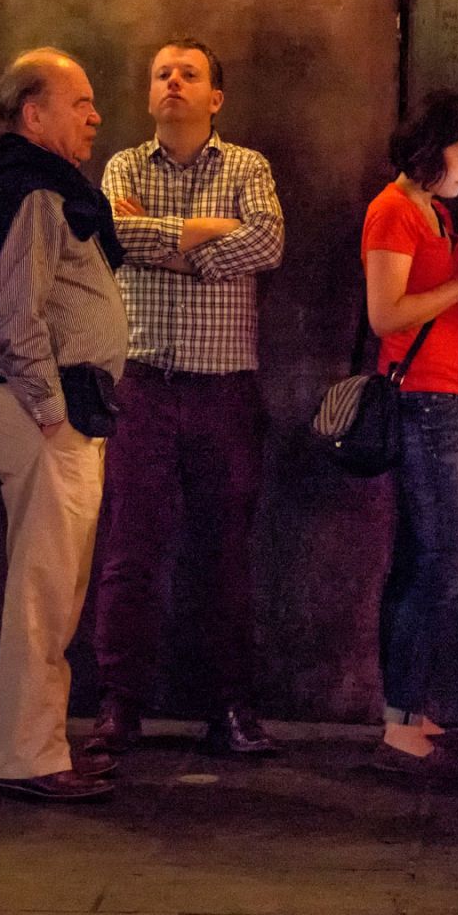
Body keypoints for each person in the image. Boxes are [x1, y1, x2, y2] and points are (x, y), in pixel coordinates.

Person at [85, 38, 286, 757]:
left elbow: (265, 244)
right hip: (140, 385)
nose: (174, 82)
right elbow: (112, 233)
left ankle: (230, 707)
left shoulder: (247, 166)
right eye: (163, 74)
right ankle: (118, 706)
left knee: (223, 554)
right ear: (148, 95)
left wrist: (161, 241)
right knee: (128, 552)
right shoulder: (121, 166)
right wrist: (202, 238)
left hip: (224, 389)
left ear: (215, 97)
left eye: (190, 74)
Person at [0, 48, 128, 801]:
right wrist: (51, 411)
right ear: (33, 113)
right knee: (43, 592)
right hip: (46, 414)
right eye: (80, 102)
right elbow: (14, 314)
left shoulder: (47, 190)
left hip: (61, 411)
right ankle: (29, 758)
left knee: (55, 588)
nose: (95, 116)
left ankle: (42, 745)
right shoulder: (32, 193)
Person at [361, 91, 458, 777]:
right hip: (425, 399)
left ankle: (405, 705)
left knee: (423, 561)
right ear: (432, 151)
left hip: (451, 396)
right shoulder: (393, 209)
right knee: (443, 561)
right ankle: (398, 718)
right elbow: (386, 313)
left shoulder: (435, 212)